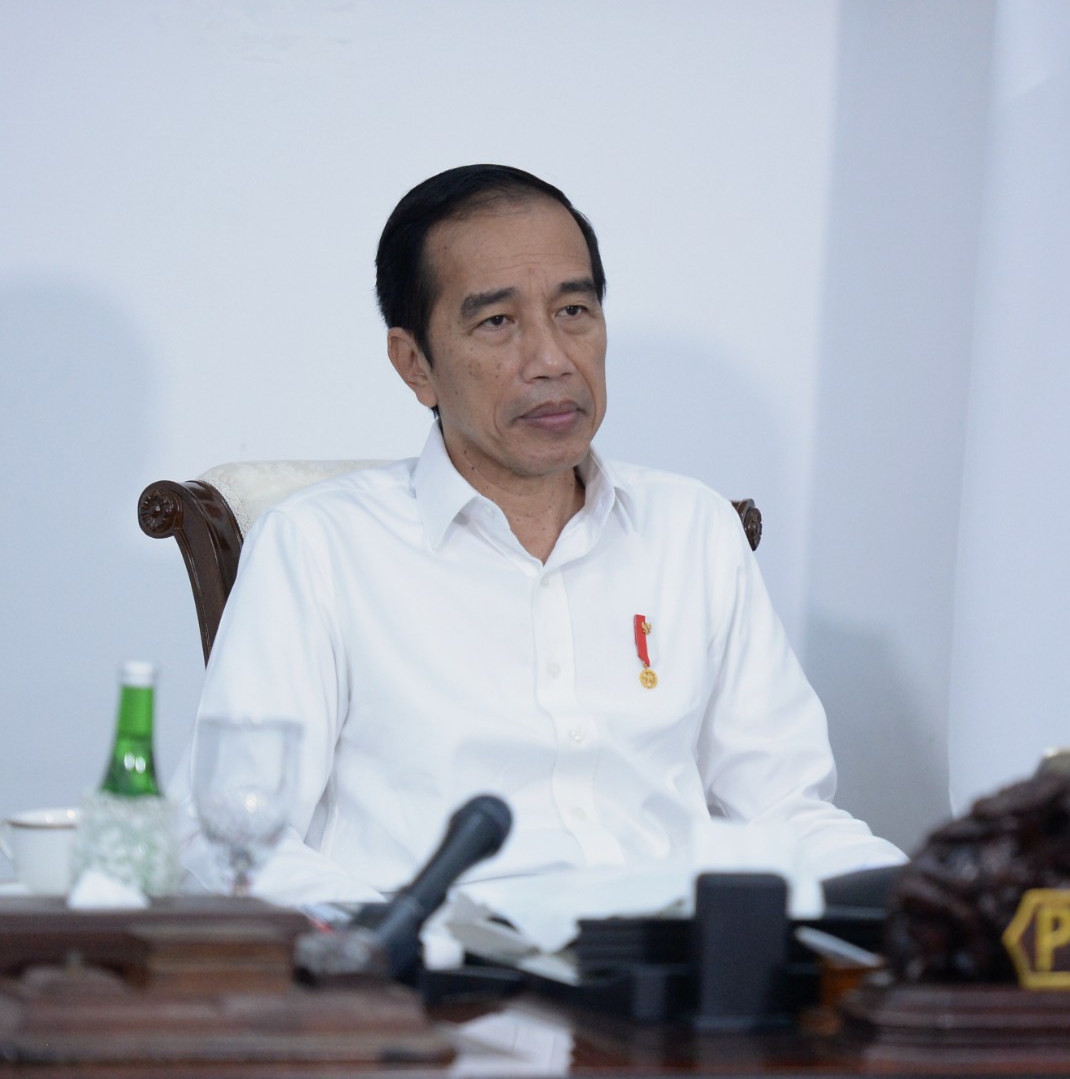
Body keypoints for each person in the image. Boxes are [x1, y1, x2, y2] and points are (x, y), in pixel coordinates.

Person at [174, 164, 904, 905]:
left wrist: (923, 900)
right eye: (497, 322)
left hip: (664, 959)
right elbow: (229, 834)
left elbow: (785, 809)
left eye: (574, 311)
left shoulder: (693, 530)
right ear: (415, 364)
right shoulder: (320, 547)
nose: (552, 360)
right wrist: (386, 947)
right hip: (439, 960)